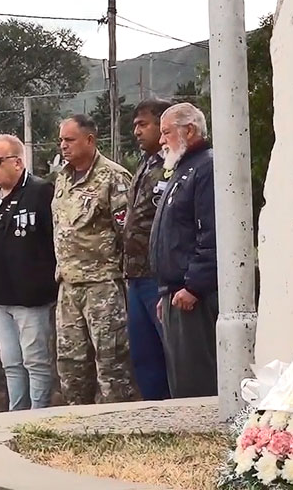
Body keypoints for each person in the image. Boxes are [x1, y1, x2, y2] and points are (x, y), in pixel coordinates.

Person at [51, 114, 134, 405]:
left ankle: (117, 425)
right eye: (61, 140)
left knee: (111, 362)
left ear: (89, 140)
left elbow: (128, 234)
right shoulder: (62, 177)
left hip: (102, 286)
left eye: (69, 140)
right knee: (71, 362)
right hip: (68, 285)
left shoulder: (114, 177)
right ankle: (79, 423)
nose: (63, 145)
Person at [0, 135, 59, 410]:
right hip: (0, 295)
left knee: (35, 360)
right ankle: (16, 415)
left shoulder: (39, 191)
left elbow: (52, 239)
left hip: (30, 296)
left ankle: (37, 416)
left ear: (17, 162)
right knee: (11, 362)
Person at [150, 102, 218, 398]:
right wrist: (167, 291)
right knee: (181, 380)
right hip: (176, 294)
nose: (161, 140)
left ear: (189, 130)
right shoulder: (183, 169)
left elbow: (212, 232)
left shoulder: (206, 167)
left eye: (166, 132)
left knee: (197, 382)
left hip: (195, 297)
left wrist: (193, 285)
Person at [123, 98, 173, 400]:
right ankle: (155, 414)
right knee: (144, 356)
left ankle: (179, 414)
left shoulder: (174, 163)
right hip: (135, 274)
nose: (137, 131)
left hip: (160, 276)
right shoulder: (145, 164)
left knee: (172, 354)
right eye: (135, 126)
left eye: (143, 124)